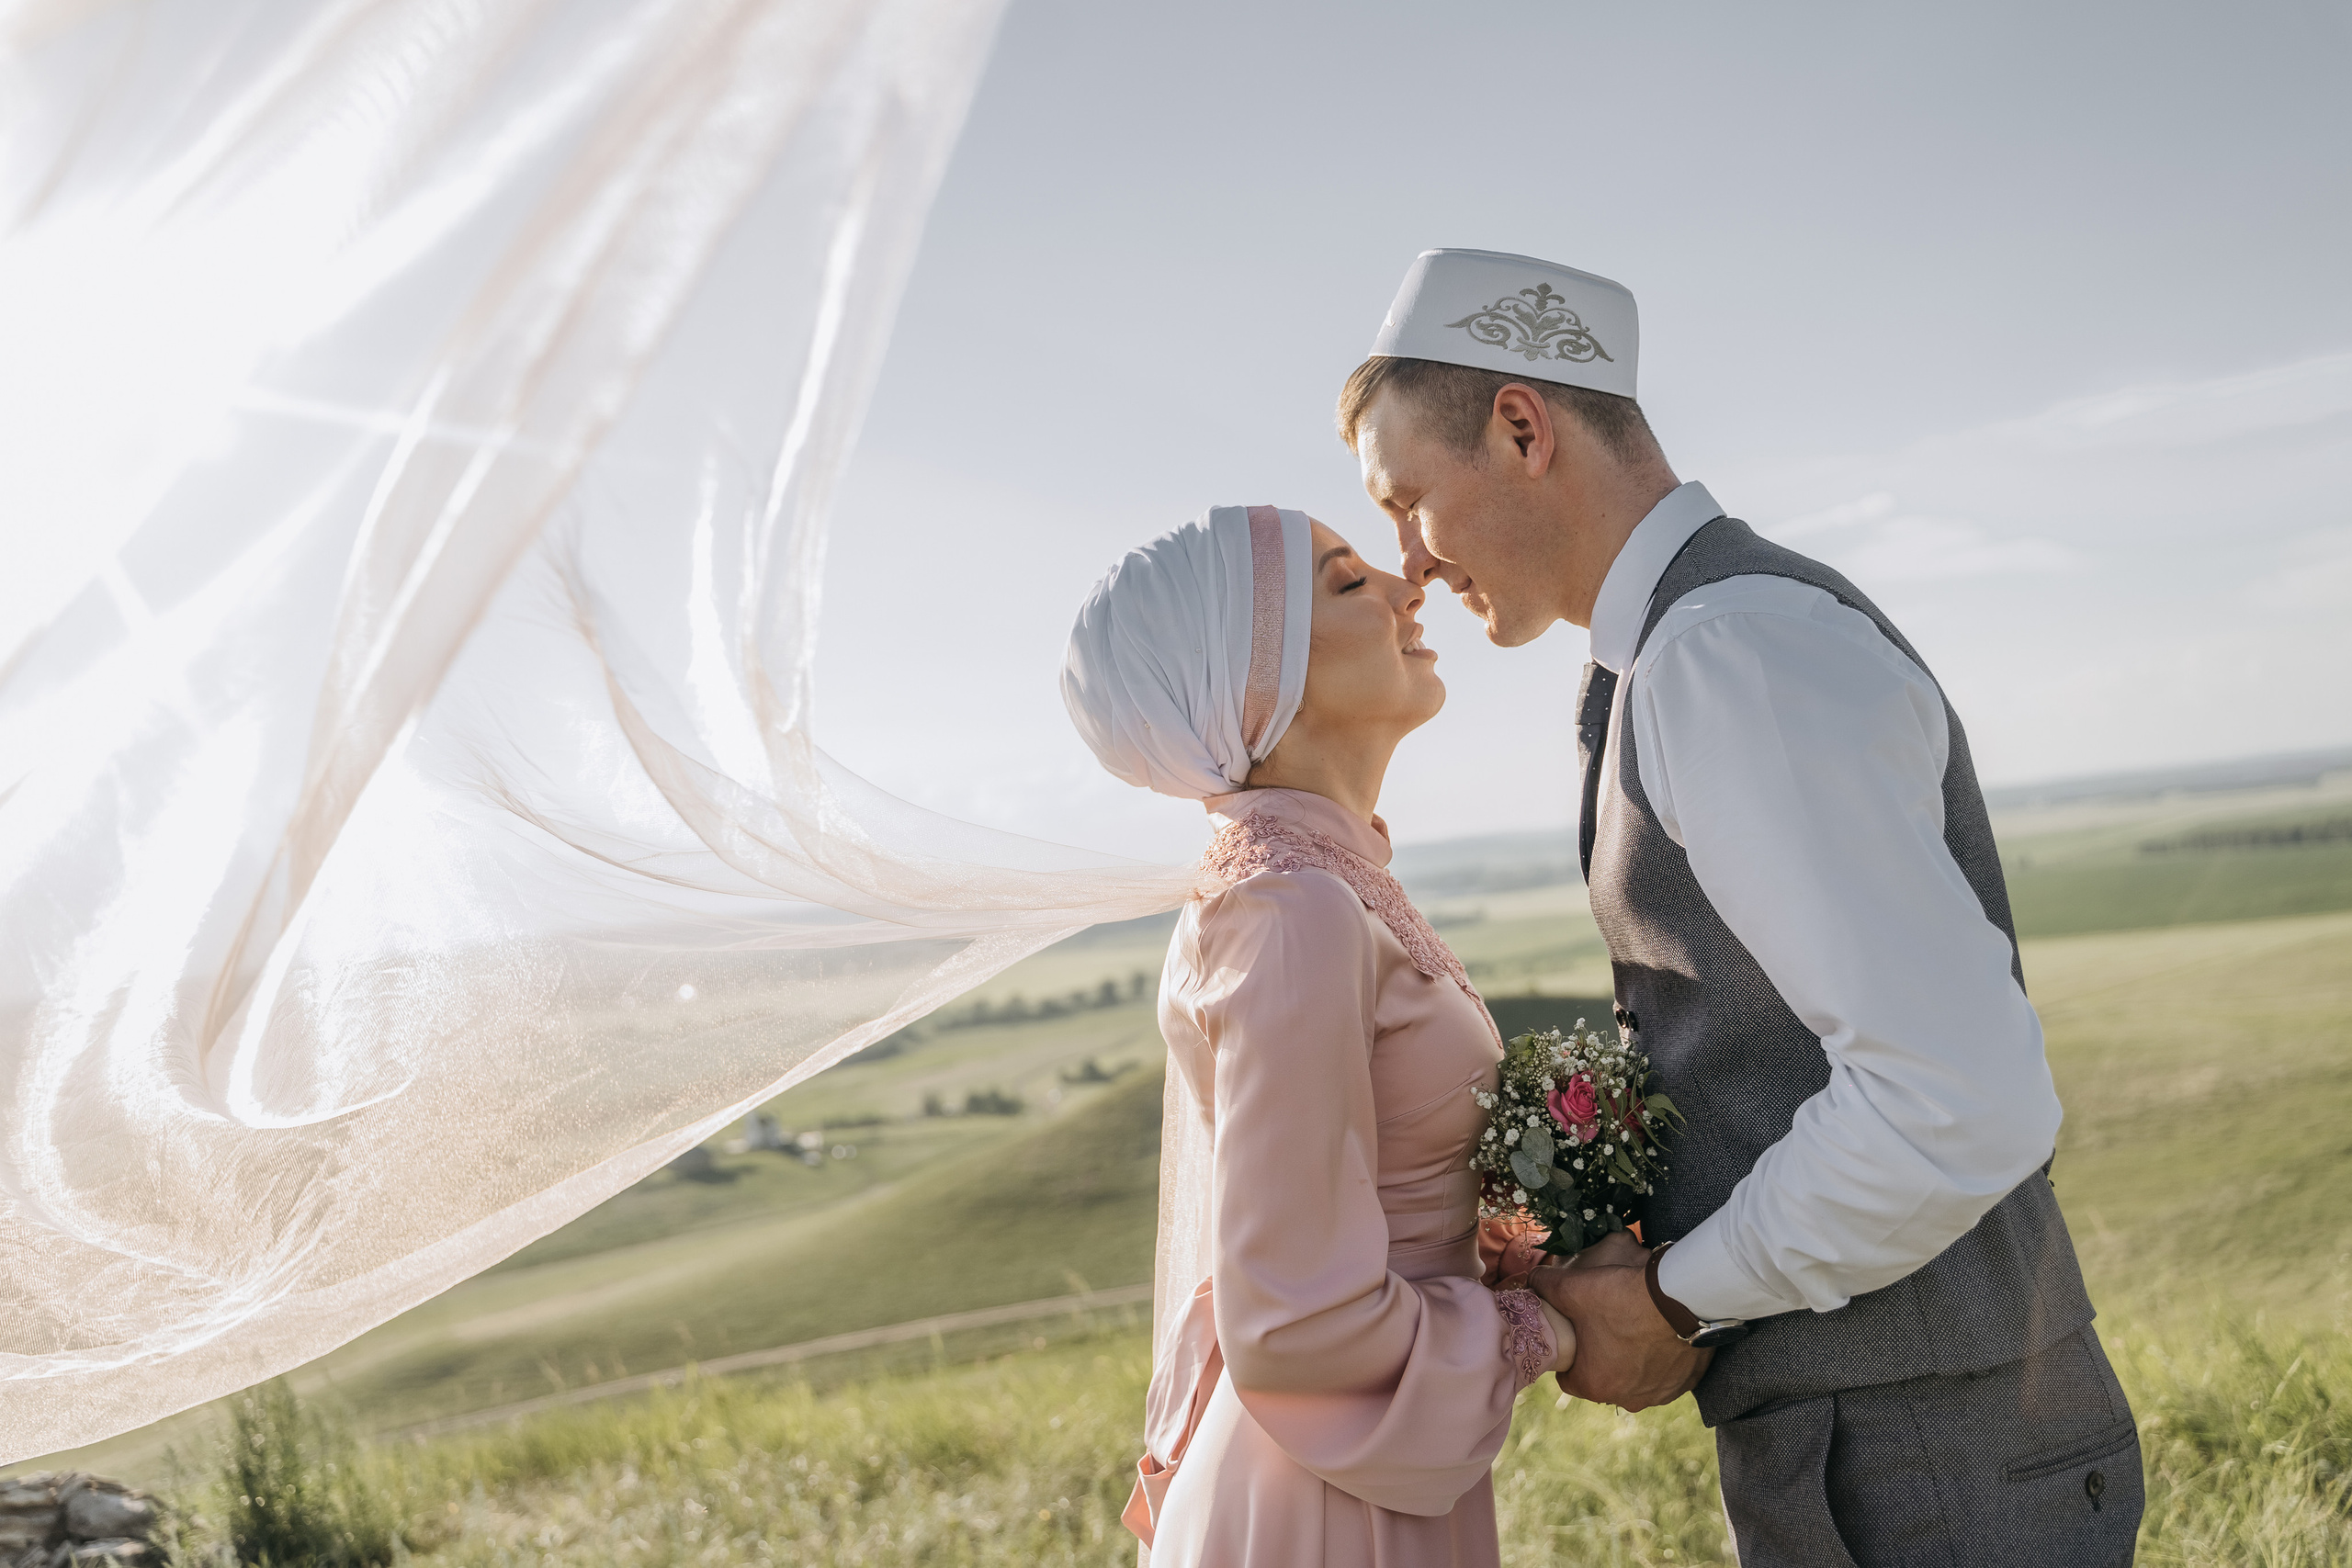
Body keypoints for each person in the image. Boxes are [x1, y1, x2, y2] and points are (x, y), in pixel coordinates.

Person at [1337, 249, 2144, 1566]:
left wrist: (1674, 1296)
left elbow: (1953, 1096)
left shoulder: (1727, 652)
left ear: (1524, 428)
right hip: (1895, 1437)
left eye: (1407, 500)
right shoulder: (1689, 647)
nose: (1409, 563)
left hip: (1931, 1447)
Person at [1062, 504, 1574, 1567]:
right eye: (1348, 582)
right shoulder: (1288, 909)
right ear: (1258, 690)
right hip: (1326, 1508)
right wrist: (1545, 1330)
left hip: (1341, 1479)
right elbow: (1297, 1327)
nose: (1408, 585)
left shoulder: (1319, 883)